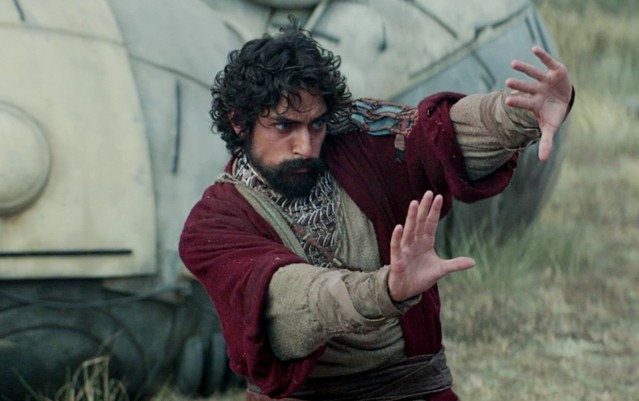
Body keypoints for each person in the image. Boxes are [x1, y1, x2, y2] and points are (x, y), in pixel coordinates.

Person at [179, 21, 573, 401]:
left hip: (413, 392)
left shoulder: (358, 138)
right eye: (284, 127)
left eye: (316, 125)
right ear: (240, 122)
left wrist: (522, 113)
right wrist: (385, 290)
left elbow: (438, 135)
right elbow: (288, 301)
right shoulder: (213, 226)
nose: (305, 146)